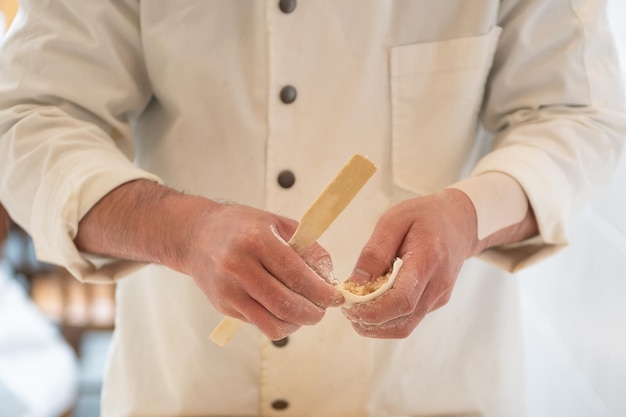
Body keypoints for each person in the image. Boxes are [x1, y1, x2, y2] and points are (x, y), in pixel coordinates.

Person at [0, 1, 624, 416]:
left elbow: (578, 111)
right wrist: (185, 231)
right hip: (188, 388)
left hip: (430, 391)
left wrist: (471, 214)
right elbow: (30, 117)